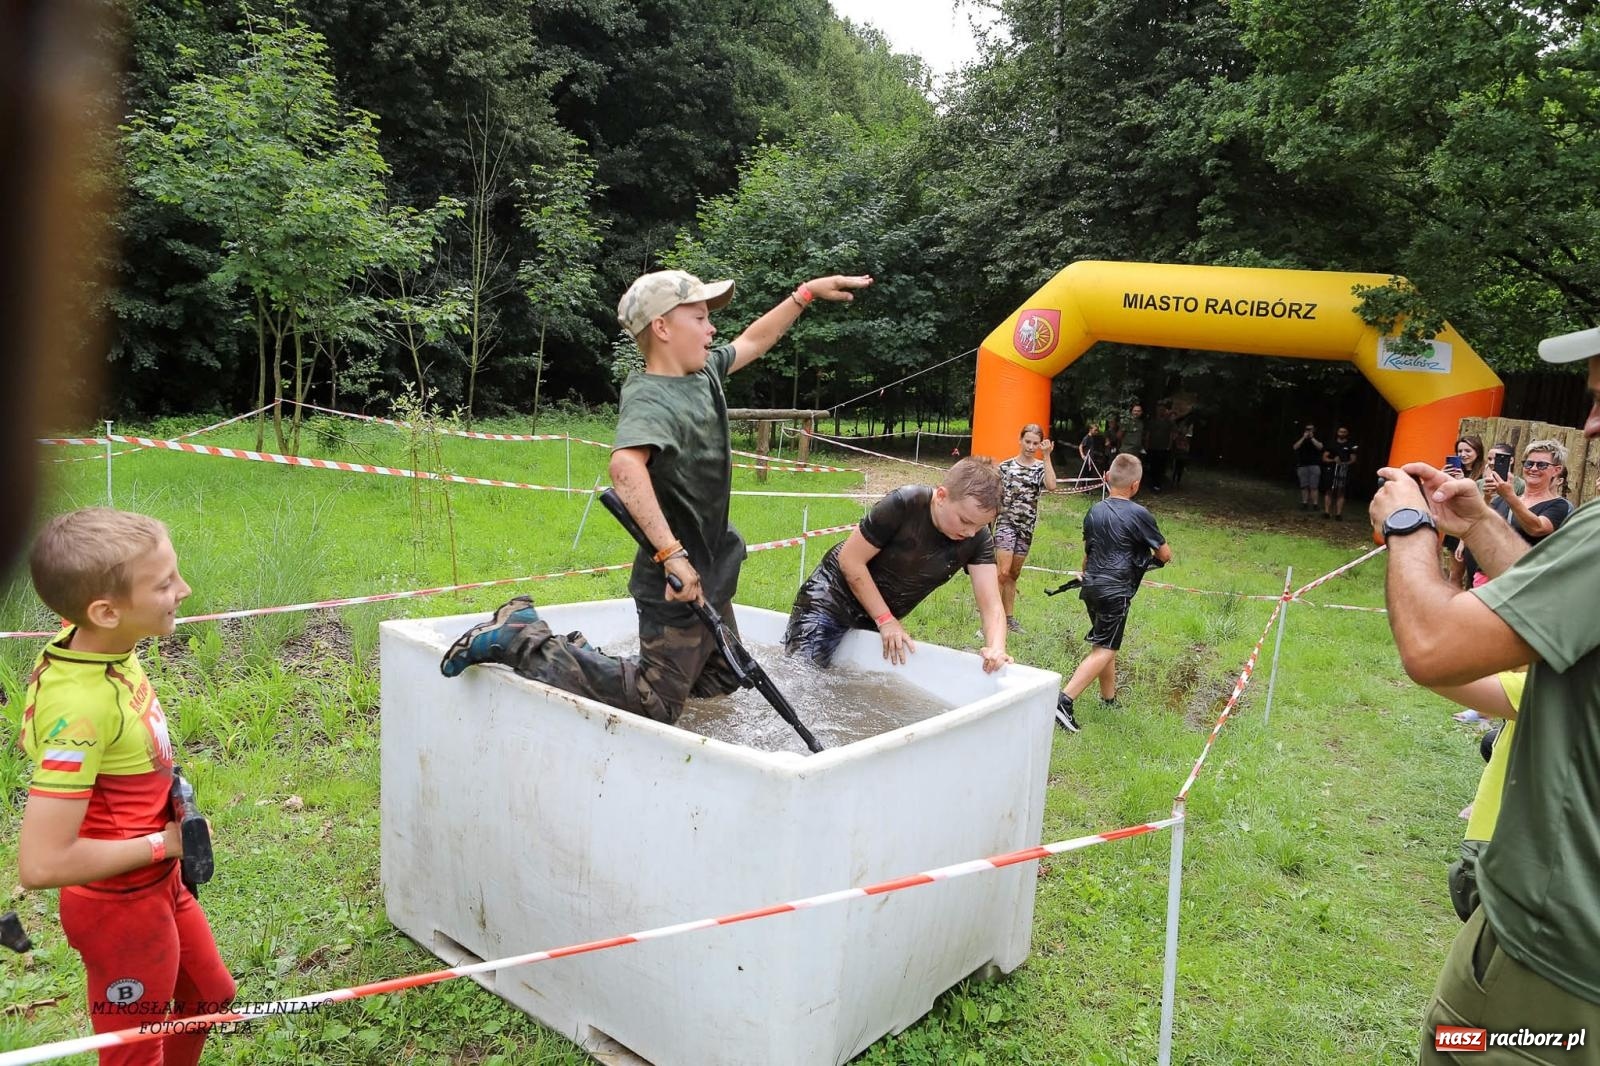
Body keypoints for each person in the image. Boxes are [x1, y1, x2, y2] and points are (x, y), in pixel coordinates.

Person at [438, 269, 873, 725]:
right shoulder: (649, 397)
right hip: (675, 583)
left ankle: (590, 660)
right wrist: (671, 554)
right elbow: (625, 468)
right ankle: (523, 638)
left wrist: (803, 294)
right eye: (701, 317)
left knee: (723, 682)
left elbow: (754, 341)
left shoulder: (703, 372)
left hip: (713, 570)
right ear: (663, 328)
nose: (712, 329)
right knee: (657, 704)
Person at [1369, 327, 1600, 1064]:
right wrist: (1480, 525)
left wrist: (1408, 526)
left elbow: (1434, 647)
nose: (1589, 425)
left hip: (1552, 963)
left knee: (1467, 1047)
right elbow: (1559, 606)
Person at [16, 509, 236, 1066]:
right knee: (135, 1052)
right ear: (105, 610)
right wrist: (165, 843)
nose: (183, 590)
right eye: (164, 584)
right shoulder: (80, 708)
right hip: (120, 907)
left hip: (158, 882)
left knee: (209, 997)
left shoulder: (102, 644)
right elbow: (40, 864)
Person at [783, 457, 1012, 673]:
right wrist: (886, 619)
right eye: (965, 521)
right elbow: (850, 560)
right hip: (829, 600)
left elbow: (991, 605)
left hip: (875, 617)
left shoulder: (978, 538)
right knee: (802, 676)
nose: (970, 532)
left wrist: (996, 648)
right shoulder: (905, 503)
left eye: (980, 526)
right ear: (941, 496)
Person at [1054, 454, 1172, 733]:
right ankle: (1063, 701)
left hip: (1091, 585)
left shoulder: (1094, 511)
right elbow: (1165, 554)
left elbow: (1088, 554)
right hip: (1116, 589)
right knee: (1106, 648)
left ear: (1106, 477)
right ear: (1136, 485)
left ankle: (1109, 699)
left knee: (1105, 644)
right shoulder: (1140, 514)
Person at [994, 425, 1058, 632]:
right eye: (1027, 441)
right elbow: (994, 496)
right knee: (1001, 572)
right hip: (1005, 523)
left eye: (1035, 443)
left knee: (1013, 573)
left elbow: (1051, 485)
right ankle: (992, 620)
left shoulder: (1040, 467)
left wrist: (1047, 456)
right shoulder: (1005, 467)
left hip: (1026, 527)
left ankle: (1009, 618)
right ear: (1020, 440)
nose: (1031, 446)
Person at [1320, 425, 1358, 519]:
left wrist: (1344, 463)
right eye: (1340, 431)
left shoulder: (1350, 445)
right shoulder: (1331, 444)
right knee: (1329, 490)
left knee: (1341, 492)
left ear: (1347, 433)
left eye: (1344, 432)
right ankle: (1327, 512)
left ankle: (1338, 514)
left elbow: (1353, 459)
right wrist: (1333, 460)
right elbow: (1324, 458)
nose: (1342, 433)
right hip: (1332, 470)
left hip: (1343, 471)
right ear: (1337, 432)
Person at [1145, 401, 1175, 492]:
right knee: (1152, 466)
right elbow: (1148, 434)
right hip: (1152, 447)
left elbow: (1171, 435)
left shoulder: (1169, 422)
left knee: (1161, 467)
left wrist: (1169, 446)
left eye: (1162, 410)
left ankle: (1158, 484)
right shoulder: (1152, 421)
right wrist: (1147, 445)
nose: (1161, 412)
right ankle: (1151, 484)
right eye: (1159, 410)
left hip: (1163, 448)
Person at [1292, 423, 1323, 510]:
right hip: (1302, 465)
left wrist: (1312, 438)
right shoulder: (1301, 437)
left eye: (1311, 429)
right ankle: (1304, 503)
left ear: (1314, 430)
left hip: (1314, 465)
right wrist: (1303, 438)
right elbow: (1295, 447)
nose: (1309, 431)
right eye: (1307, 429)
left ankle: (1315, 505)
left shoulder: (1317, 437)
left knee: (1314, 486)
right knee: (1304, 486)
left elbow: (1320, 447)